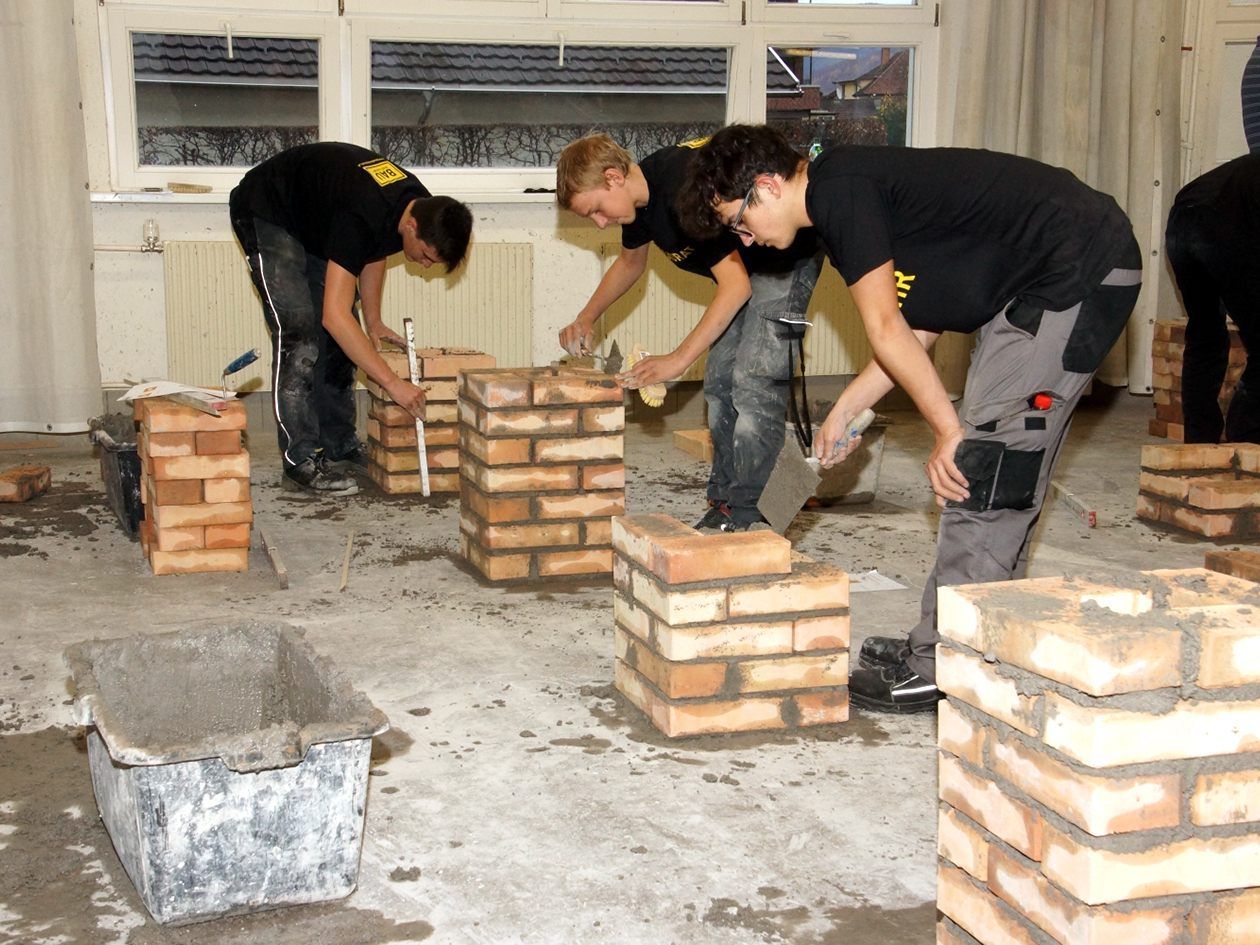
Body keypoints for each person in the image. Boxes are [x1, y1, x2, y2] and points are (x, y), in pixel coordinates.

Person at [683, 124, 1142, 712]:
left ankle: (944, 663)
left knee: (982, 466)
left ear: (767, 187)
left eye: (739, 223)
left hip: (1074, 271)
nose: (744, 240)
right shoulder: (846, 192)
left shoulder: (839, 193)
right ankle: (977, 634)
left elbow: (886, 327)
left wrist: (949, 431)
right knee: (1000, 469)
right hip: (1048, 274)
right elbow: (916, 325)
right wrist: (848, 407)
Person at [556, 133, 822, 531]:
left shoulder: (680, 189)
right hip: (748, 268)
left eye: (596, 210)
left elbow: (736, 287)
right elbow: (630, 263)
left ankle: (755, 514)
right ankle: (727, 503)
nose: (599, 223)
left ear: (613, 178)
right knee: (718, 383)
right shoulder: (643, 204)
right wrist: (587, 316)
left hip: (785, 257)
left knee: (753, 381)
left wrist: (678, 359)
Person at [230, 141, 472, 495]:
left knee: (345, 338)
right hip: (268, 209)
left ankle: (339, 443)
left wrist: (373, 321)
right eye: (425, 256)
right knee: (300, 333)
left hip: (315, 218)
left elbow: (373, 251)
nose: (425, 265)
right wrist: (393, 384)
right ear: (412, 226)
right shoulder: (363, 210)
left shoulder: (414, 202)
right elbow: (334, 315)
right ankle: (300, 460)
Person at [1165, 153, 1260, 444]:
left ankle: (1199, 443)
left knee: (1205, 335)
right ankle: (1247, 447)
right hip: (1223, 226)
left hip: (1182, 219)